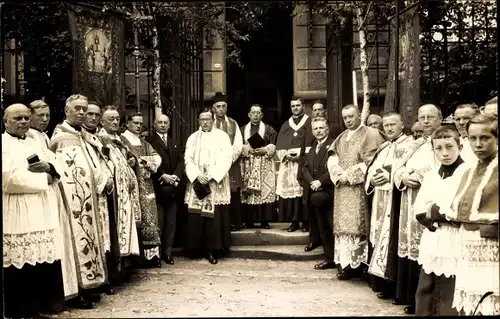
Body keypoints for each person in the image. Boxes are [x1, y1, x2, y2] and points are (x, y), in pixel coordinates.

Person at [3, 104, 68, 318]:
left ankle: (40, 306)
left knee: (41, 258)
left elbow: (55, 161)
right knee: (20, 260)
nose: (23, 122)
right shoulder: (3, 144)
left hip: (41, 208)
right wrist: (44, 179)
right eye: (17, 118)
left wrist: (50, 169)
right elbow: (8, 179)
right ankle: (20, 310)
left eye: (25, 118)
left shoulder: (35, 142)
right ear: (6, 121)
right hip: (17, 209)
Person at [49, 94, 111, 309]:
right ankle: (74, 292)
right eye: (78, 108)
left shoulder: (82, 134)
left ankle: (86, 286)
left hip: (86, 201)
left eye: (84, 108)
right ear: (66, 110)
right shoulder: (61, 136)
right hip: (70, 203)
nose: (82, 112)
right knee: (72, 242)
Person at [412, 125, 468, 316]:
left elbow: (458, 208)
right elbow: (419, 208)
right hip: (434, 236)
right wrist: (433, 211)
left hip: (456, 239)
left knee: (449, 290)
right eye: (439, 148)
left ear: (459, 147)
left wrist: (434, 209)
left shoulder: (466, 173)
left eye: (449, 147)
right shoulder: (431, 175)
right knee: (427, 288)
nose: (445, 153)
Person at [392, 103, 442, 314]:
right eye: (422, 117)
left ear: (440, 118)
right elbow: (397, 169)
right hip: (410, 203)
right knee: (414, 251)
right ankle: (412, 296)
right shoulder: (417, 145)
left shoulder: (445, 142)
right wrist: (403, 177)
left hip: (431, 204)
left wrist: (419, 175)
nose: (426, 121)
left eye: (431, 117)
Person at [326, 104, 385, 280]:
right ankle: (345, 265)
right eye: (345, 118)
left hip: (359, 188)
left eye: (351, 116)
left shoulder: (371, 133)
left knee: (360, 225)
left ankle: (362, 265)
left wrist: (350, 175)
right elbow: (332, 159)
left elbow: (373, 161)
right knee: (344, 229)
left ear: (359, 115)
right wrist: (338, 174)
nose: (348, 120)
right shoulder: (341, 136)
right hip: (342, 189)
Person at [450, 114, 499, 315]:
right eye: (473, 138)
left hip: (493, 248)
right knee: (474, 302)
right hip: (469, 245)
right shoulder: (469, 171)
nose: (478, 144)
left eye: (485, 138)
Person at [365, 112, 413, 299]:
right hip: (379, 197)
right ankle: (380, 283)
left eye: (393, 124)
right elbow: (371, 171)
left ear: (402, 124)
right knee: (378, 237)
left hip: (394, 199)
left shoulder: (410, 145)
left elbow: (405, 170)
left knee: (390, 239)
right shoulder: (383, 147)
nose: (389, 128)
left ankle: (392, 284)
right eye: (386, 125)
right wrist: (372, 179)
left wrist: (389, 176)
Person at [184, 108, 233, 264]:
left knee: (214, 218)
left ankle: (213, 249)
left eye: (208, 119)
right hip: (198, 181)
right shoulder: (193, 138)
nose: (205, 122)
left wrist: (212, 176)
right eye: (202, 120)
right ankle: (197, 248)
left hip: (215, 182)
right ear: (199, 121)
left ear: (213, 120)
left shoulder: (223, 137)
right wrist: (197, 175)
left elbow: (227, 158)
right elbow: (188, 159)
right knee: (198, 216)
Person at [81, 102, 120, 296]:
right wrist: (105, 179)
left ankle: (107, 277)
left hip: (105, 194)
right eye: (90, 114)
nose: (93, 118)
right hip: (91, 195)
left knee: (106, 236)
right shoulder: (80, 136)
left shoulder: (99, 137)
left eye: (97, 115)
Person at [98, 106, 141, 276]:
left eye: (117, 119)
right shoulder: (101, 139)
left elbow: (129, 159)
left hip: (125, 192)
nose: (115, 122)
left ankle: (125, 265)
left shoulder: (119, 139)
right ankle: (115, 270)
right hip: (114, 193)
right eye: (111, 119)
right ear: (102, 121)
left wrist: (131, 161)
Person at [121, 112, 162, 268]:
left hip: (146, 184)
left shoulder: (143, 142)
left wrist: (149, 162)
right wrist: (141, 161)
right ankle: (136, 258)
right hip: (132, 185)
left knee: (150, 218)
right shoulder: (123, 140)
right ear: (128, 123)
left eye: (140, 123)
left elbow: (156, 157)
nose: (138, 126)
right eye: (136, 123)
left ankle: (151, 256)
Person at [147, 114, 184, 264]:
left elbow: (181, 162)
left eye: (165, 123)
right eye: (159, 122)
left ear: (169, 125)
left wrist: (175, 176)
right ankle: (156, 255)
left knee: (171, 223)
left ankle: (167, 253)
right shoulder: (149, 142)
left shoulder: (173, 142)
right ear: (154, 125)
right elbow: (149, 162)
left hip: (173, 187)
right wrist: (163, 176)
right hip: (158, 187)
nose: (162, 125)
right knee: (158, 223)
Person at [299, 117, 335, 270]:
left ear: (327, 129)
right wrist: (312, 181)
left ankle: (340, 260)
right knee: (322, 228)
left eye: (321, 128)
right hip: (316, 191)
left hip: (329, 192)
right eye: (315, 129)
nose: (318, 131)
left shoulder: (333, 144)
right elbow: (305, 167)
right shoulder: (314, 145)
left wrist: (320, 181)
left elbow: (335, 168)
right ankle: (329, 258)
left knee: (333, 227)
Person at [276, 96, 313, 232]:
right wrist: (285, 155)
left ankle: (307, 221)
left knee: (303, 192)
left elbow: (313, 143)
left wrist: (301, 155)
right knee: (292, 193)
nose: (295, 108)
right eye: (293, 106)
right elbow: (279, 145)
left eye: (298, 105)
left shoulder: (310, 122)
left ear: (303, 106)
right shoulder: (286, 124)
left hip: (303, 163)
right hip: (288, 164)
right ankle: (294, 221)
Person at [239, 104, 277, 229]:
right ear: (249, 115)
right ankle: (248, 220)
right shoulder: (242, 129)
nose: (255, 115)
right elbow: (238, 145)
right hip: (248, 163)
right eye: (253, 113)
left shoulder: (269, 129)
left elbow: (274, 146)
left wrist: (264, 150)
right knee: (248, 192)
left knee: (263, 192)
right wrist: (247, 150)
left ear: (261, 115)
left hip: (263, 165)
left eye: (258, 113)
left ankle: (264, 221)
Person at [211, 92, 244, 231]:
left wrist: (228, 160)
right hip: (214, 163)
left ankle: (235, 222)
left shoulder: (233, 123)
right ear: (213, 108)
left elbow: (238, 144)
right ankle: (219, 222)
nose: (221, 109)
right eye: (218, 106)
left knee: (233, 192)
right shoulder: (208, 122)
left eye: (223, 106)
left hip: (231, 163)